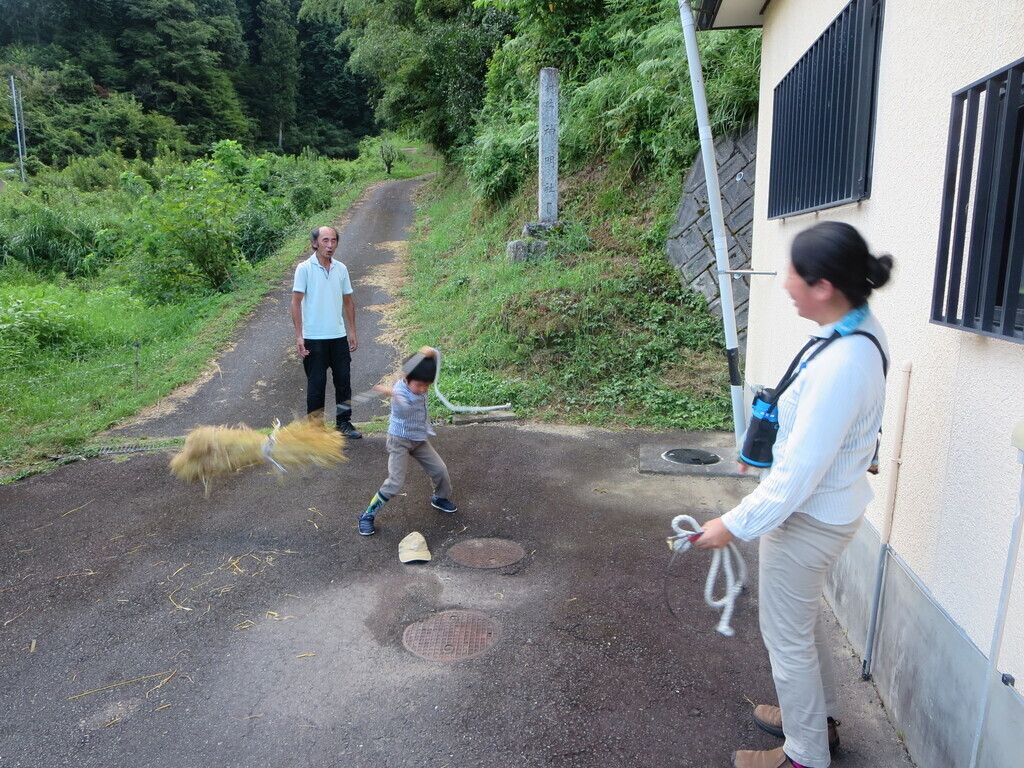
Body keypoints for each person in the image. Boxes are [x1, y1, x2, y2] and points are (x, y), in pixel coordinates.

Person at [693, 222, 893, 768]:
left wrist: (731, 523)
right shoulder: (856, 332)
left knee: (785, 635)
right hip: (826, 511)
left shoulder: (842, 366)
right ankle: (817, 720)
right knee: (799, 625)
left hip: (808, 519)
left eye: (793, 274)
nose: (784, 284)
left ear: (823, 286)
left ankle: (802, 754)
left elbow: (795, 477)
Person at [358, 346, 457, 536]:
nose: (423, 390)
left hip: (419, 439)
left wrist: (429, 352)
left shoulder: (416, 378)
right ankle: (367, 515)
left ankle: (439, 498)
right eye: (419, 385)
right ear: (405, 378)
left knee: (440, 470)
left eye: (426, 385)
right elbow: (403, 411)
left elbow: (436, 356)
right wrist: (392, 395)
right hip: (399, 441)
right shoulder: (400, 393)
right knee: (395, 482)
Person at [291, 225, 361, 438]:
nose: (330, 245)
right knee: (316, 385)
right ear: (315, 243)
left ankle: (343, 423)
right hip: (314, 338)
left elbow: (348, 301)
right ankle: (315, 428)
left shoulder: (341, 269)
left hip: (338, 336)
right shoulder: (304, 269)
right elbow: (296, 303)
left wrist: (352, 331)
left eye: (333, 241)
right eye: (325, 241)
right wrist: (300, 336)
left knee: (343, 382)